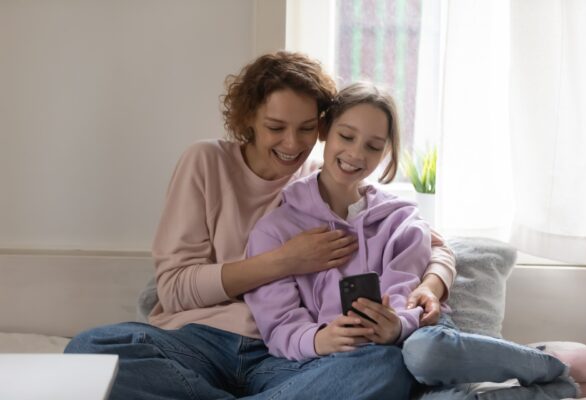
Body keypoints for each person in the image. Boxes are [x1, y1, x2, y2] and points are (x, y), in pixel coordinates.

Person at [64, 51, 456, 400]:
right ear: (248, 118)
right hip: (197, 342)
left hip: (282, 355)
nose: (292, 142)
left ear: (322, 127)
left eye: (306, 128)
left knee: (382, 367)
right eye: (276, 126)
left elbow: (429, 241)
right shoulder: (205, 163)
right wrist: (284, 261)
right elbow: (173, 288)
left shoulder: (324, 178)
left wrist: (429, 285)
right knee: (90, 349)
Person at [244, 82, 586, 400]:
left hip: (415, 338)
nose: (356, 153)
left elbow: (409, 294)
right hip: (349, 361)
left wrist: (397, 324)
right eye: (346, 136)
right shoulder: (275, 230)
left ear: (386, 152)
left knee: (424, 354)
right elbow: (280, 327)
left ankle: (554, 365)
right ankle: (559, 387)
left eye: (373, 145)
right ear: (326, 132)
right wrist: (322, 339)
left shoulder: (400, 219)